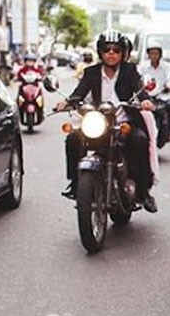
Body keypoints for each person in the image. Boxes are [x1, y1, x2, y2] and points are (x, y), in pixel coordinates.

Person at [55, 30, 157, 212]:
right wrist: (67, 102)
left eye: (116, 50)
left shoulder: (129, 72)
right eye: (107, 49)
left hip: (124, 123)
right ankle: (76, 182)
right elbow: (80, 92)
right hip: (98, 123)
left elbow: (139, 88)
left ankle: (143, 191)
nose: (111, 53)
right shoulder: (91, 72)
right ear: (100, 52)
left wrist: (145, 100)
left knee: (140, 140)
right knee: (72, 138)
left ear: (122, 53)